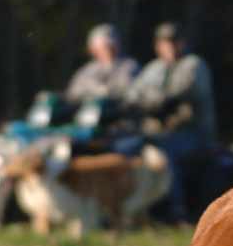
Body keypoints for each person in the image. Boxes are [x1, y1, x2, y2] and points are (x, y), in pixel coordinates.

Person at [128, 22, 218, 222]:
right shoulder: (153, 68)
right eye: (164, 42)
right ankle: (135, 210)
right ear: (157, 45)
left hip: (193, 133)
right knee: (129, 148)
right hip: (157, 132)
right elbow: (132, 94)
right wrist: (140, 103)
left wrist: (153, 101)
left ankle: (175, 211)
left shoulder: (193, 64)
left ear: (182, 43)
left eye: (173, 42)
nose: (169, 46)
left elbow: (179, 93)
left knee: (165, 153)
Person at [64, 23, 136, 106]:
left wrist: (104, 92)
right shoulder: (86, 70)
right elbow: (72, 93)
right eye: (103, 47)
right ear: (93, 49)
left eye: (109, 46)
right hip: (88, 114)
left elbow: (128, 93)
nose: (107, 51)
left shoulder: (129, 67)